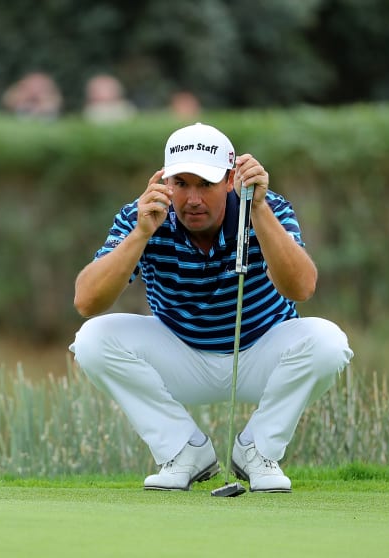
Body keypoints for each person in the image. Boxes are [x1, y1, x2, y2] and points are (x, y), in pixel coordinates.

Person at [70, 122, 353, 492]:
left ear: (230, 179)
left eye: (205, 184)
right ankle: (183, 451)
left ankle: (257, 451)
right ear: (165, 181)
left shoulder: (267, 209)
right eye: (182, 184)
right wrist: (141, 234)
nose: (193, 199)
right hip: (180, 355)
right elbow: (86, 302)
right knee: (93, 339)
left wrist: (259, 210)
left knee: (328, 342)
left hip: (259, 352)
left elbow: (301, 288)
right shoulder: (143, 215)